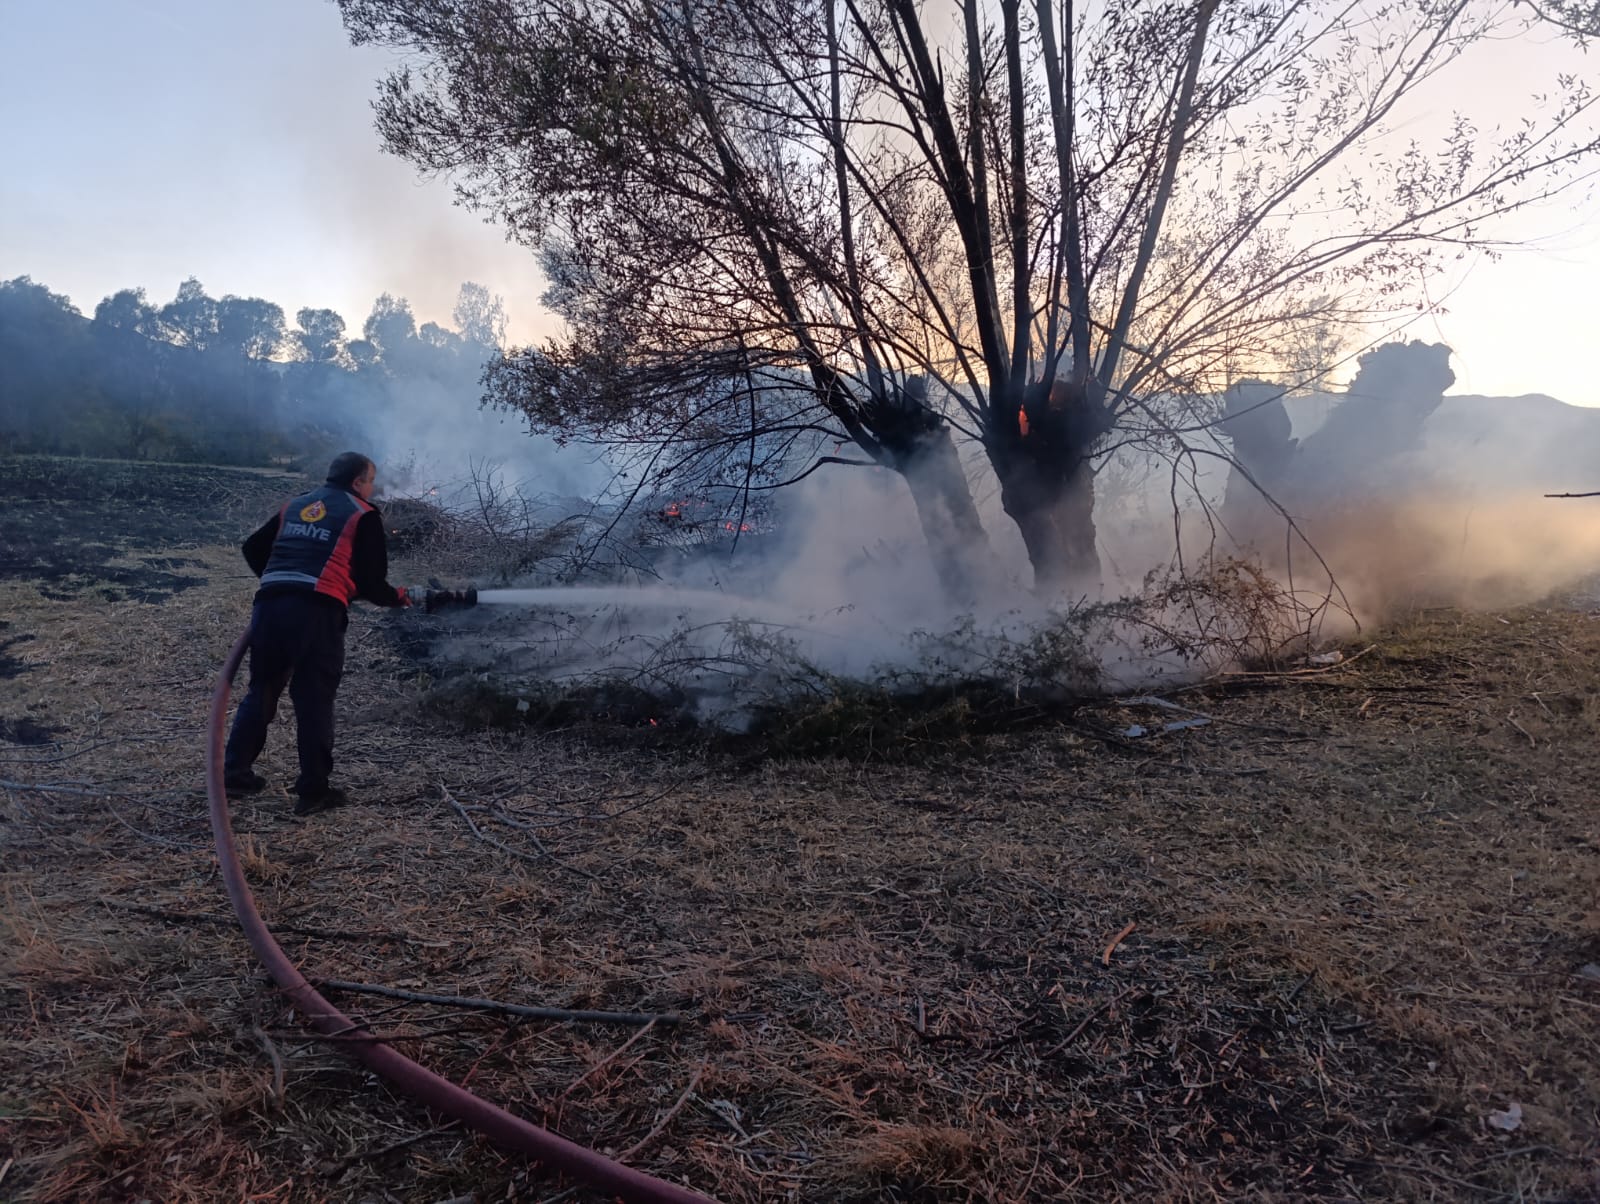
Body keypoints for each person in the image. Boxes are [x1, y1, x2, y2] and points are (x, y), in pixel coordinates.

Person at [222, 452, 411, 816]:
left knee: (263, 689)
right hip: (316, 613)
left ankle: (234, 774)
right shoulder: (362, 514)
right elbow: (372, 584)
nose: (373, 487)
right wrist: (397, 599)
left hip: (271, 605)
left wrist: (284, 577)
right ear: (358, 483)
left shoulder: (296, 505)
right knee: (313, 698)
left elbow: (252, 548)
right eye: (371, 480)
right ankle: (313, 791)